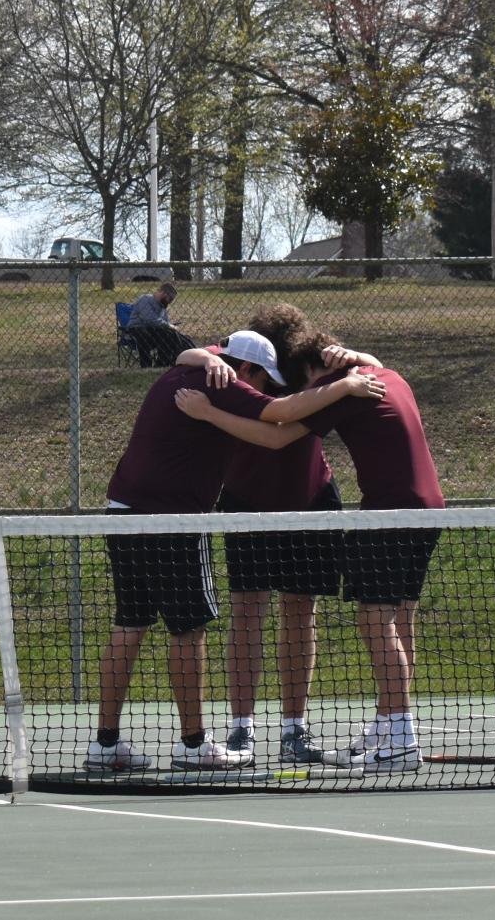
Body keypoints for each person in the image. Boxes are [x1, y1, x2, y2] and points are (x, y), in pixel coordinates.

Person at [86, 330, 386, 772]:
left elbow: (189, 352)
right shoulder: (225, 384)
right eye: (262, 379)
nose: (260, 389)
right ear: (246, 369)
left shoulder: (193, 367)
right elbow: (279, 418)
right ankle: (193, 746)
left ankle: (105, 745)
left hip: (124, 511)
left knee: (130, 623)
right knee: (188, 630)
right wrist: (345, 386)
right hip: (173, 521)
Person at [175, 330, 443, 773]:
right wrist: (353, 358)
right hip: (426, 508)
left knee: (375, 618)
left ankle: (398, 735)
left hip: (390, 512)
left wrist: (207, 412)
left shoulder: (343, 391)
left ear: (321, 369)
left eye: (307, 378)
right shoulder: (385, 373)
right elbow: (367, 359)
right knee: (398, 616)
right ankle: (388, 723)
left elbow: (277, 435)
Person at [126, 281, 195, 367]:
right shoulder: (145, 299)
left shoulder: (162, 306)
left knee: (172, 334)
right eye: (169, 299)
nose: (170, 302)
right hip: (138, 328)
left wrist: (170, 327)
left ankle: (163, 364)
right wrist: (168, 325)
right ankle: (146, 367)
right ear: (163, 293)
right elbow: (150, 320)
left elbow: (164, 323)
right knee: (144, 334)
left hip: (154, 330)